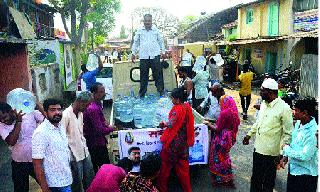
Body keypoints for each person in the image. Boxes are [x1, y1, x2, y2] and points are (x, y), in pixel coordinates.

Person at [242, 78, 293, 192]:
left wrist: (282, 153)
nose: (260, 93)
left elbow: (288, 134)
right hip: (258, 149)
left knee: (268, 183)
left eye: (262, 90)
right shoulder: (264, 104)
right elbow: (258, 122)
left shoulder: (284, 108)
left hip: (272, 154)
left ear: (270, 92)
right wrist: (249, 135)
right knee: (255, 179)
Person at [157, 87, 195, 192]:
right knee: (184, 170)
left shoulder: (177, 109)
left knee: (164, 169)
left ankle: (162, 189)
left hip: (172, 145)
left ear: (177, 99)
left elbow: (171, 123)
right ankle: (187, 190)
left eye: (172, 99)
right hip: (183, 145)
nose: (171, 101)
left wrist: (163, 124)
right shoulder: (187, 107)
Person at [0, 102, 44, 192]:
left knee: (48, 185)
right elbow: (11, 141)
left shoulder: (29, 113)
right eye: (0, 119)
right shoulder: (1, 126)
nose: (2, 121)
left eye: (4, 117)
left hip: (36, 160)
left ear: (11, 111)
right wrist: (19, 122)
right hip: (18, 164)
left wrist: (36, 103)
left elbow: (48, 119)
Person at [32, 98, 72, 192]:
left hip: (66, 179)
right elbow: (37, 164)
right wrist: (45, 188)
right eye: (52, 110)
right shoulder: (41, 133)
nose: (57, 112)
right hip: (54, 184)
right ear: (45, 112)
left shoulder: (60, 126)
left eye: (59, 109)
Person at [204, 85, 240, 188]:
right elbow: (225, 124)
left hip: (221, 139)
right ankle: (228, 178)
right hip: (229, 138)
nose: (219, 102)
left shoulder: (224, 113)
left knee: (217, 157)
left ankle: (218, 179)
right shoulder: (232, 112)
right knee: (225, 157)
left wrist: (208, 124)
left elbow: (217, 128)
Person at [280, 97, 318, 192]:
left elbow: (305, 156)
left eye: (296, 110)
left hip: (305, 176)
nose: (293, 112)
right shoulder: (298, 123)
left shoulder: (313, 132)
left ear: (304, 113)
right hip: (294, 170)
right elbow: (294, 143)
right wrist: (286, 157)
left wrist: (286, 149)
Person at [61, 91, 95, 192]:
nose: (87, 107)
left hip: (84, 151)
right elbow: (62, 138)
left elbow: (80, 134)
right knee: (77, 184)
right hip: (73, 155)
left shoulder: (80, 114)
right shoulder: (65, 115)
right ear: (79, 102)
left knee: (89, 179)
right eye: (87, 105)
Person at [131, 14, 166, 97]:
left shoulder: (156, 30)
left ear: (151, 21)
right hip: (144, 57)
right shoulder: (139, 30)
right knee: (143, 76)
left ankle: (161, 92)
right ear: (143, 21)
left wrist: (163, 52)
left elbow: (161, 41)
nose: (147, 22)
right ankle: (142, 94)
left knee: (158, 75)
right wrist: (133, 53)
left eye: (149, 21)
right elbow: (136, 43)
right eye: (146, 21)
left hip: (155, 56)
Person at [83, 82, 115, 173]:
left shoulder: (97, 105)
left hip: (97, 142)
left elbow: (101, 122)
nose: (103, 94)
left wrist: (105, 124)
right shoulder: (93, 108)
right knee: (104, 168)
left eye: (103, 91)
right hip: (96, 144)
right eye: (100, 92)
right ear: (93, 93)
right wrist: (112, 128)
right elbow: (99, 130)